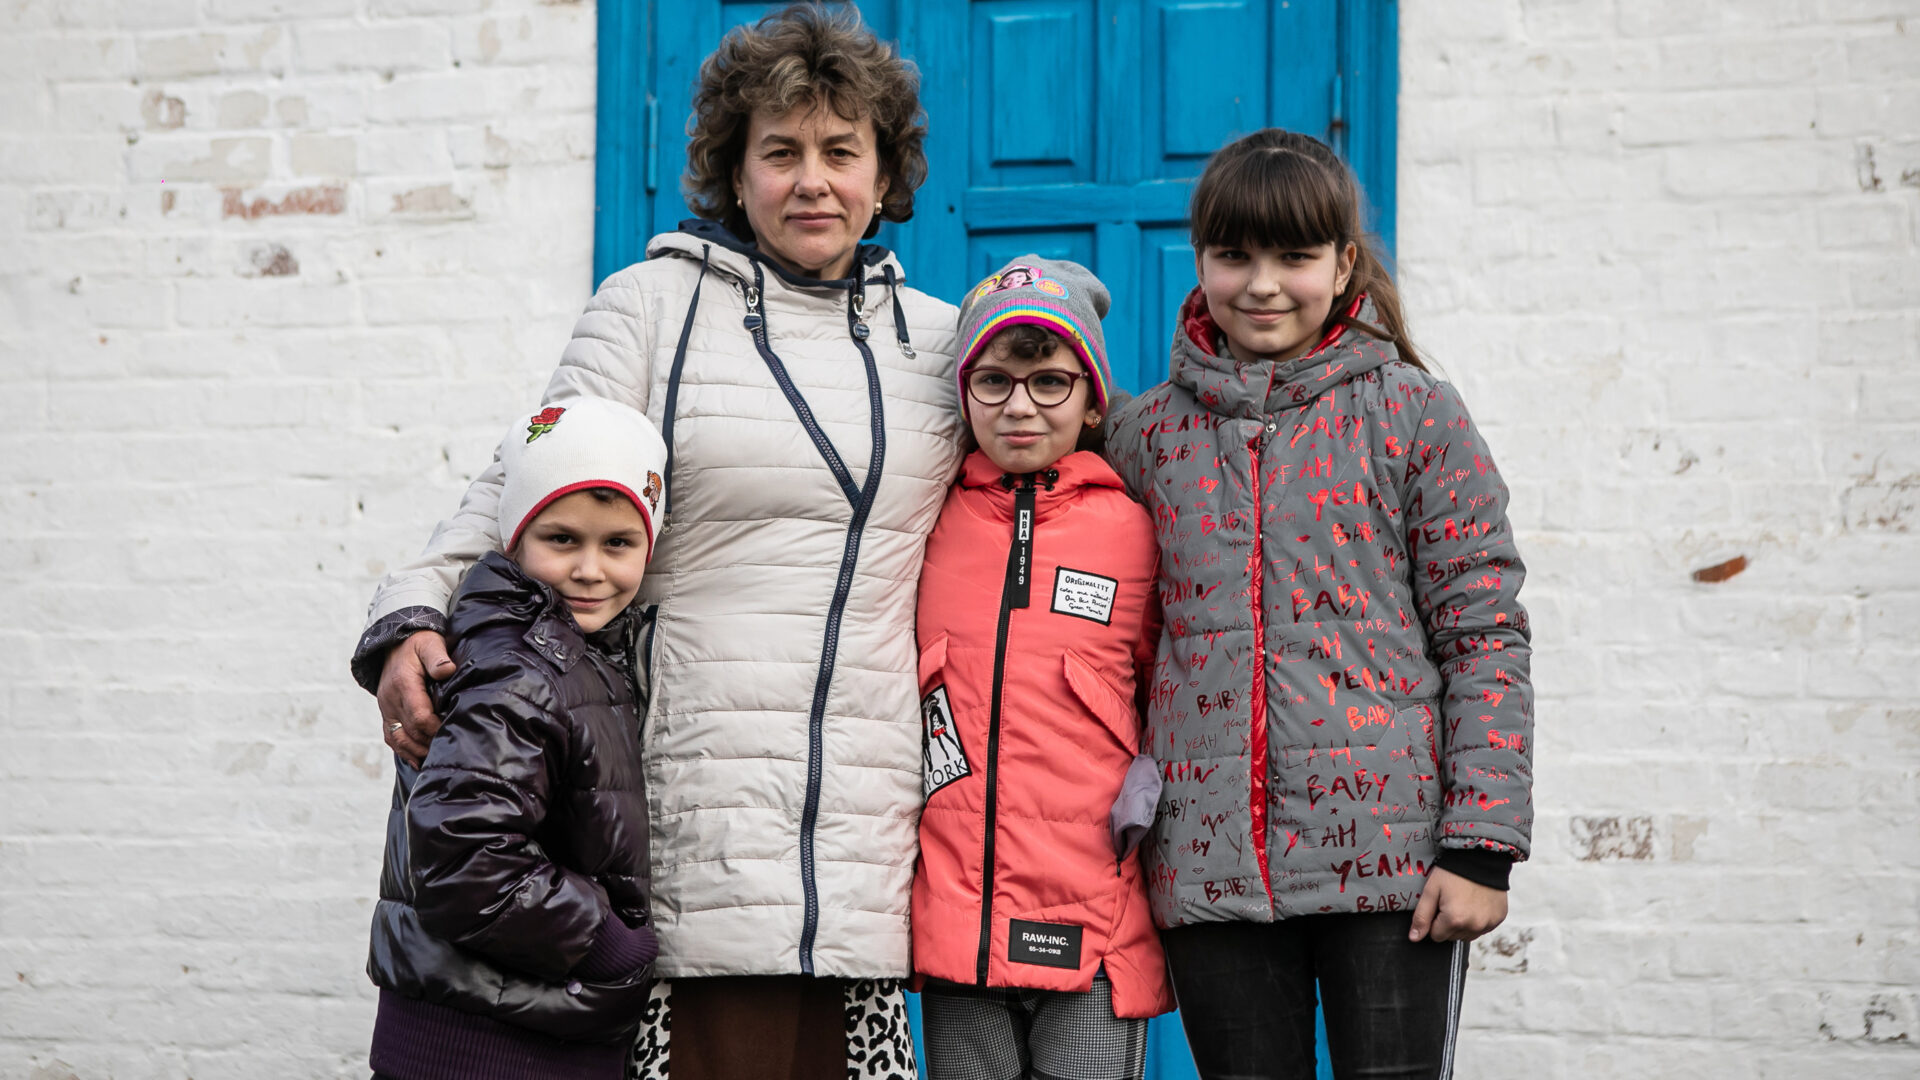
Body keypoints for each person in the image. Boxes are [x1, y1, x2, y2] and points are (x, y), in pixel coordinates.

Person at [349, 6, 960, 1078]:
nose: (812, 181)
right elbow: (514, 490)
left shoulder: (947, 344)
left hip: (863, 845)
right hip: (689, 817)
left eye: (839, 152)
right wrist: (407, 620)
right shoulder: (648, 309)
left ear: (884, 172)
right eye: (780, 152)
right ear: (734, 168)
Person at [1103, 128, 1535, 1080]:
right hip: (1209, 866)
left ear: (1344, 265)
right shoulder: (1142, 438)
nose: (1262, 284)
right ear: (1200, 259)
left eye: (1294, 257)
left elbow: (1483, 635)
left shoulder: (1417, 415)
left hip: (1393, 874)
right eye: (1234, 255)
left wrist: (1480, 848)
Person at [910, 257, 1175, 1080]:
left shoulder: (1140, 526)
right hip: (960, 931)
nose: (1019, 406)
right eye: (993, 381)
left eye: (1050, 382)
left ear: (1094, 398)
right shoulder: (925, 521)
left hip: (1091, 926)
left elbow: (1175, 684)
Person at [366, 398, 668, 1080]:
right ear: (513, 537)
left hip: (518, 1019)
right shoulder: (517, 667)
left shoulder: (572, 651)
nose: (590, 569)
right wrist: (606, 945)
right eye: (562, 539)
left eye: (618, 543)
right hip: (484, 1041)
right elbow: (467, 854)